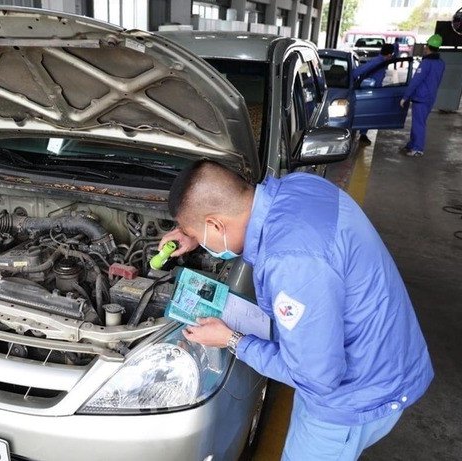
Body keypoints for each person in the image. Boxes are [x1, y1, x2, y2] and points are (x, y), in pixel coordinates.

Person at [159, 160, 433, 460]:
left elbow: (317, 378)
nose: (202, 243)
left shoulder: (291, 264)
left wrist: (231, 340)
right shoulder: (298, 186)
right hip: (386, 350)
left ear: (216, 224)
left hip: (354, 396)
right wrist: (194, 234)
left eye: (201, 235)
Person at [400, 34, 445, 157]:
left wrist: (405, 96)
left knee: (418, 124)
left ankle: (417, 149)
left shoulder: (426, 63)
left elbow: (416, 81)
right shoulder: (440, 63)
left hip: (421, 97)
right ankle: (412, 144)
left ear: (428, 47)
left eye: (426, 45)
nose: (424, 47)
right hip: (430, 97)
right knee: (419, 122)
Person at [352, 43, 396, 145]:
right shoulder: (377, 62)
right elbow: (358, 72)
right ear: (389, 55)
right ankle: (362, 134)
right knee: (366, 113)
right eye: (392, 55)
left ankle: (363, 134)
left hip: (374, 91)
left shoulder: (381, 62)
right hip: (368, 92)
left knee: (369, 113)